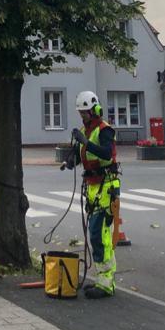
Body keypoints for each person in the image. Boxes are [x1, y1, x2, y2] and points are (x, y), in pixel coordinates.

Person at [71, 89, 121, 299]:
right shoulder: (87, 130)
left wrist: (85, 142)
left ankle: (106, 282)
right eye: (80, 113)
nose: (82, 116)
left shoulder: (104, 130)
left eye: (85, 112)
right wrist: (68, 161)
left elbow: (106, 153)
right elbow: (82, 155)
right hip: (92, 187)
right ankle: (102, 279)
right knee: (97, 233)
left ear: (95, 110)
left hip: (106, 186)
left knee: (97, 233)